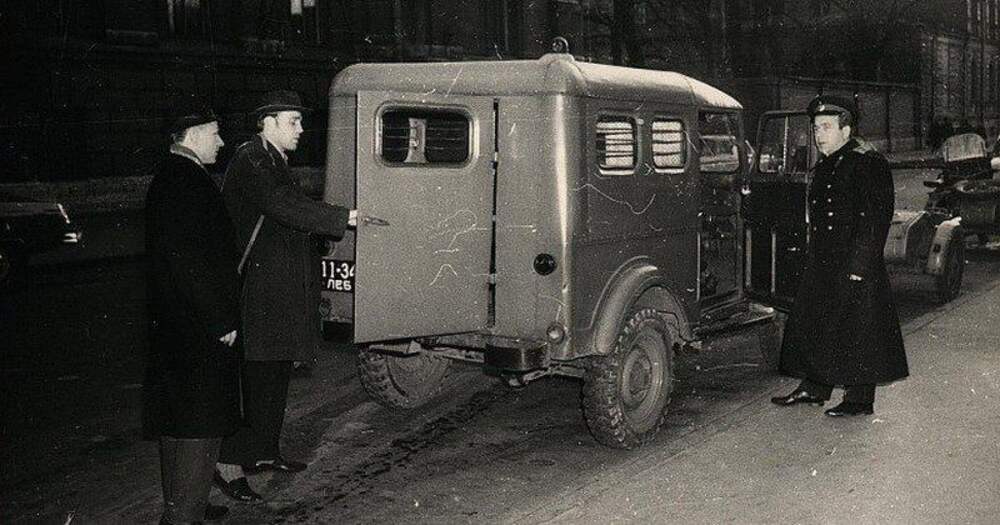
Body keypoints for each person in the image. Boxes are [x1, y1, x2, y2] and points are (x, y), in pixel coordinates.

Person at [214, 90, 356, 501]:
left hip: (276, 287)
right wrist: (341, 217)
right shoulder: (252, 158)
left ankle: (263, 452)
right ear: (268, 122)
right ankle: (230, 463)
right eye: (293, 121)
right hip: (258, 290)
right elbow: (280, 204)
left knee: (275, 372)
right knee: (257, 377)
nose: (301, 129)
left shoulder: (273, 159)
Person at [770, 95, 908, 417]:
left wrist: (860, 265)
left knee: (858, 330)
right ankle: (814, 387)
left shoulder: (866, 161)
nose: (819, 135)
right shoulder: (828, 162)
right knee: (818, 323)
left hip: (854, 262)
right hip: (825, 261)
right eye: (816, 128)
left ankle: (859, 400)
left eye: (826, 127)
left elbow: (875, 218)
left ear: (846, 130)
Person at [144, 100, 240, 524]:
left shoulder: (174, 174)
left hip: (179, 325)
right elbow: (189, 262)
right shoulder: (185, 181)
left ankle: (185, 505)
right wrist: (220, 319)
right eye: (215, 133)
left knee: (179, 423)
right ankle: (183, 515)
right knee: (202, 425)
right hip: (199, 326)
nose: (220, 142)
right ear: (194, 135)